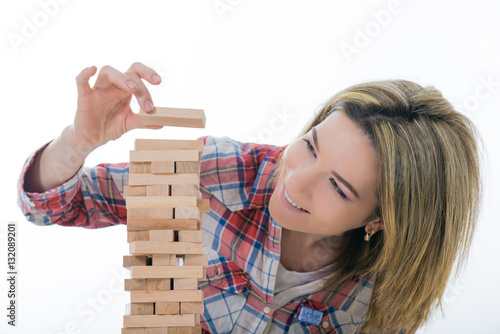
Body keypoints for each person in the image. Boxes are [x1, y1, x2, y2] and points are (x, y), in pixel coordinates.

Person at [17, 62, 482, 333]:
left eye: (338, 187)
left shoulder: (389, 288)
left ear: (380, 220)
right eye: (311, 146)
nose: (296, 180)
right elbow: (54, 205)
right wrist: (78, 141)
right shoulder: (216, 171)